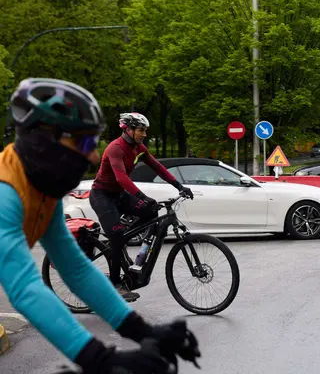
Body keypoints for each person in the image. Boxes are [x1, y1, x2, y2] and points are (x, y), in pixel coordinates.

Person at [0, 78, 200, 374]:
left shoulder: (43, 190)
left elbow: (75, 269)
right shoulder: (6, 193)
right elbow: (25, 287)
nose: (94, 156)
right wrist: (100, 359)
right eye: (84, 143)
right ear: (45, 140)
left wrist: (142, 332)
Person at [90, 112, 193, 300]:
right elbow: (121, 177)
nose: (144, 134)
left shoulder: (139, 148)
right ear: (128, 130)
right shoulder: (115, 148)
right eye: (141, 130)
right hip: (102, 196)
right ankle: (116, 284)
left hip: (119, 195)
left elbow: (158, 167)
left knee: (152, 212)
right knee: (118, 238)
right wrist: (142, 196)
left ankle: (128, 247)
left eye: (145, 131)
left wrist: (179, 186)